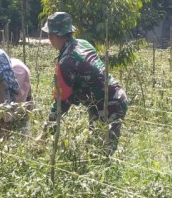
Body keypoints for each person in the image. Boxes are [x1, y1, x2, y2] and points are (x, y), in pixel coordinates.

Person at [39, 11, 128, 151]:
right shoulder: (83, 43)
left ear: (52, 36)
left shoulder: (66, 61)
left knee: (101, 153)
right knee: (94, 147)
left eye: (49, 35)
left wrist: (44, 135)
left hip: (108, 105)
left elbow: (61, 102)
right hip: (111, 99)